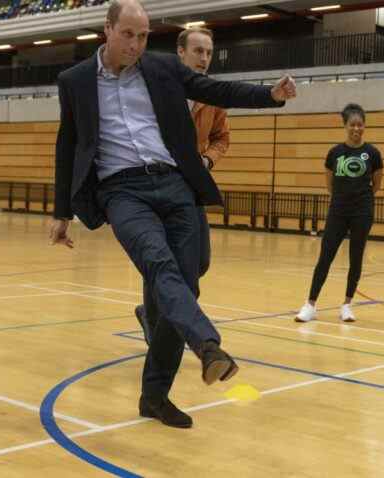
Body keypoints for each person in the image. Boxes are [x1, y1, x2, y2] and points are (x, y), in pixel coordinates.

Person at [48, 0, 296, 428]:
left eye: (143, 36)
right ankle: (208, 348)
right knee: (160, 266)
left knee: (182, 287)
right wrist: (61, 212)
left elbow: (215, 91)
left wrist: (269, 95)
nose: (136, 44)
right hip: (121, 191)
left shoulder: (161, 68)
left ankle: (154, 397)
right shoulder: (74, 81)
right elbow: (67, 143)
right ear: (107, 30)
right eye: (128, 34)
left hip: (175, 184)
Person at [133, 26, 231, 345]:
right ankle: (154, 318)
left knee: (199, 262)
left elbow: (221, 138)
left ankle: (158, 310)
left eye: (208, 53)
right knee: (161, 258)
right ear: (180, 53)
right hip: (157, 187)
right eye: (198, 51)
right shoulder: (156, 89)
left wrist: (207, 160)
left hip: (192, 188)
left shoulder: (211, 95)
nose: (204, 58)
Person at [294, 103, 384, 323]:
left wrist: (359, 199)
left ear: (364, 126)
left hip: (362, 211)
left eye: (360, 125)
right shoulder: (335, 152)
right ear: (345, 126)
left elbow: (376, 183)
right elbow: (330, 184)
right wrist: (343, 199)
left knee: (356, 257)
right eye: (352, 124)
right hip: (338, 211)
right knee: (326, 256)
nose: (356, 129)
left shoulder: (372, 153)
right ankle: (310, 304)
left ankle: (347, 305)